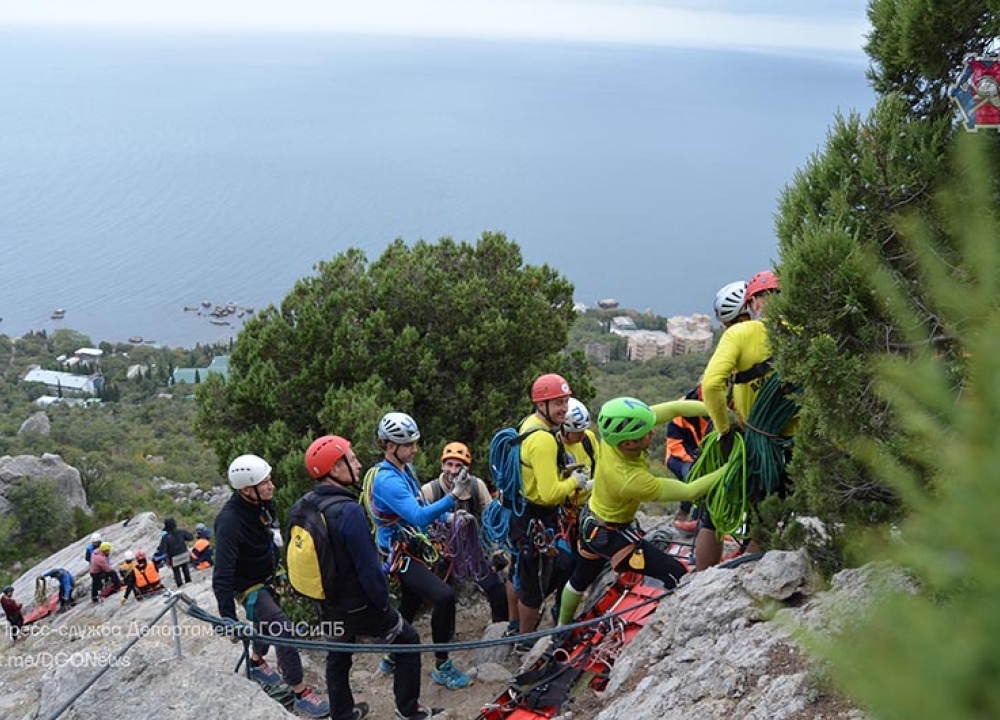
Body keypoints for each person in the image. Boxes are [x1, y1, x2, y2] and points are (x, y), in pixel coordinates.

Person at [305, 434, 443, 720]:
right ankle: (408, 709)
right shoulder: (350, 512)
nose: (357, 463)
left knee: (338, 656)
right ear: (335, 469)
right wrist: (383, 604)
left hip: (326, 602)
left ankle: (342, 713)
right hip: (358, 604)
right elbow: (368, 568)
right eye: (350, 459)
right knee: (407, 640)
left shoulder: (305, 506)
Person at [556, 397, 726, 625]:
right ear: (628, 444)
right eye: (646, 433)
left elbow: (675, 408)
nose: (653, 434)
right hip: (614, 537)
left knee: (580, 579)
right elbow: (690, 490)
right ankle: (681, 623)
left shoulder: (611, 438)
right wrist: (732, 464)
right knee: (676, 572)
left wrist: (718, 411)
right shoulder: (631, 479)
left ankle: (561, 626)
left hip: (591, 523)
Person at [213, 454, 330, 718]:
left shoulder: (263, 505)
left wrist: (281, 572)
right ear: (246, 489)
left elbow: (271, 538)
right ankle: (300, 692)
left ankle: (255, 662)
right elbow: (222, 572)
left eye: (269, 480)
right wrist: (227, 617)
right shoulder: (229, 523)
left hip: (267, 576)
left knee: (266, 624)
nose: (272, 485)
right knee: (283, 628)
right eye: (265, 482)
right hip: (247, 587)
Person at [695, 269, 796, 570]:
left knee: (714, 510)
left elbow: (711, 385)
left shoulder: (740, 334)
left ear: (753, 304)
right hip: (793, 446)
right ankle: (749, 572)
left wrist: (725, 430)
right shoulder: (805, 332)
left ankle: (705, 581)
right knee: (768, 513)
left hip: (752, 443)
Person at [367, 412, 473, 690]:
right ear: (391, 447)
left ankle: (391, 655)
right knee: (444, 595)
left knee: (411, 601)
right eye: (409, 444)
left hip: (409, 546)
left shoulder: (404, 471)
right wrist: (452, 498)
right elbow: (417, 516)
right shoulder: (387, 481)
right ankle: (442, 665)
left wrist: (446, 519)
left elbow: (418, 504)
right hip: (400, 553)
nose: (415, 449)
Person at [509, 374, 587, 643]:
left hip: (528, 514)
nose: (564, 408)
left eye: (565, 401)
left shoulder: (532, 424)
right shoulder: (542, 439)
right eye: (558, 403)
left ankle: (522, 624)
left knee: (555, 565)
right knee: (532, 582)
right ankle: (524, 640)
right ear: (542, 404)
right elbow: (549, 492)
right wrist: (574, 482)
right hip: (534, 516)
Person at [670, 280, 752, 532]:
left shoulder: (730, 403)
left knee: (717, 470)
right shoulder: (686, 407)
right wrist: (696, 461)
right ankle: (695, 516)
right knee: (702, 472)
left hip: (710, 453)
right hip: (685, 458)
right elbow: (674, 448)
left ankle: (706, 517)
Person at [420, 442, 511, 624]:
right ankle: (446, 635)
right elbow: (421, 521)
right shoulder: (430, 491)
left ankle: (501, 626)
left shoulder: (476, 487)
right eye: (449, 465)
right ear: (442, 465)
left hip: (472, 547)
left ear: (466, 469)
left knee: (496, 587)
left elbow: (491, 520)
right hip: (441, 550)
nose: (453, 471)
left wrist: (497, 552)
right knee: (443, 595)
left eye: (458, 466)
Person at [157, 518, 194, 587]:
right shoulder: (181, 532)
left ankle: (180, 585)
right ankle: (188, 581)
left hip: (174, 558)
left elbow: (162, 550)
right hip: (184, 555)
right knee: (185, 568)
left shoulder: (165, 537)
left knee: (176, 572)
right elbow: (191, 537)